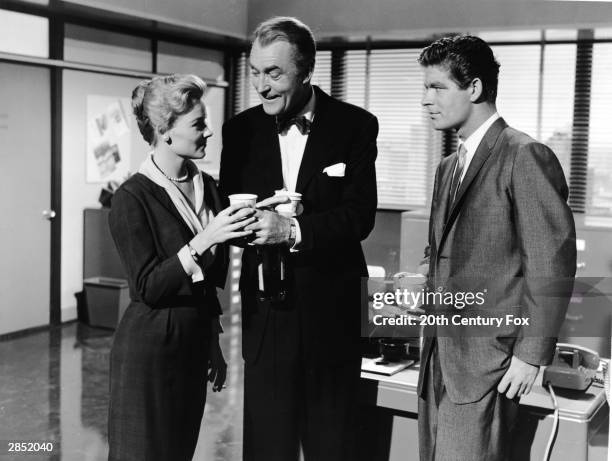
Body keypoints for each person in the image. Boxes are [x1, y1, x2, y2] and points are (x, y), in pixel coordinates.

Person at [218, 16, 378, 461]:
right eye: (254, 71)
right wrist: (245, 224)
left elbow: (359, 217)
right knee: (268, 447)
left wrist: (293, 229)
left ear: (307, 70)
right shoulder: (240, 131)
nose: (261, 85)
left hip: (332, 314)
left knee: (333, 446)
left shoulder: (356, 126)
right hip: (266, 316)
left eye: (274, 73)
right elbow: (228, 218)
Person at [417, 35, 576, 461]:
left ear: (474, 88)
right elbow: (444, 252)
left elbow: (551, 263)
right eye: (424, 87)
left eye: (437, 87)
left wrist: (531, 356)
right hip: (438, 359)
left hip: (489, 362)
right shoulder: (447, 167)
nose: (425, 100)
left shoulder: (525, 155)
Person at [107, 74, 256, 461]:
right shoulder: (131, 197)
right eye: (198, 124)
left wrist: (212, 342)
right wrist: (206, 238)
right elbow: (148, 287)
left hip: (192, 344)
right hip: (148, 348)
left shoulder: (207, 184)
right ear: (165, 131)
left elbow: (204, 283)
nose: (208, 132)